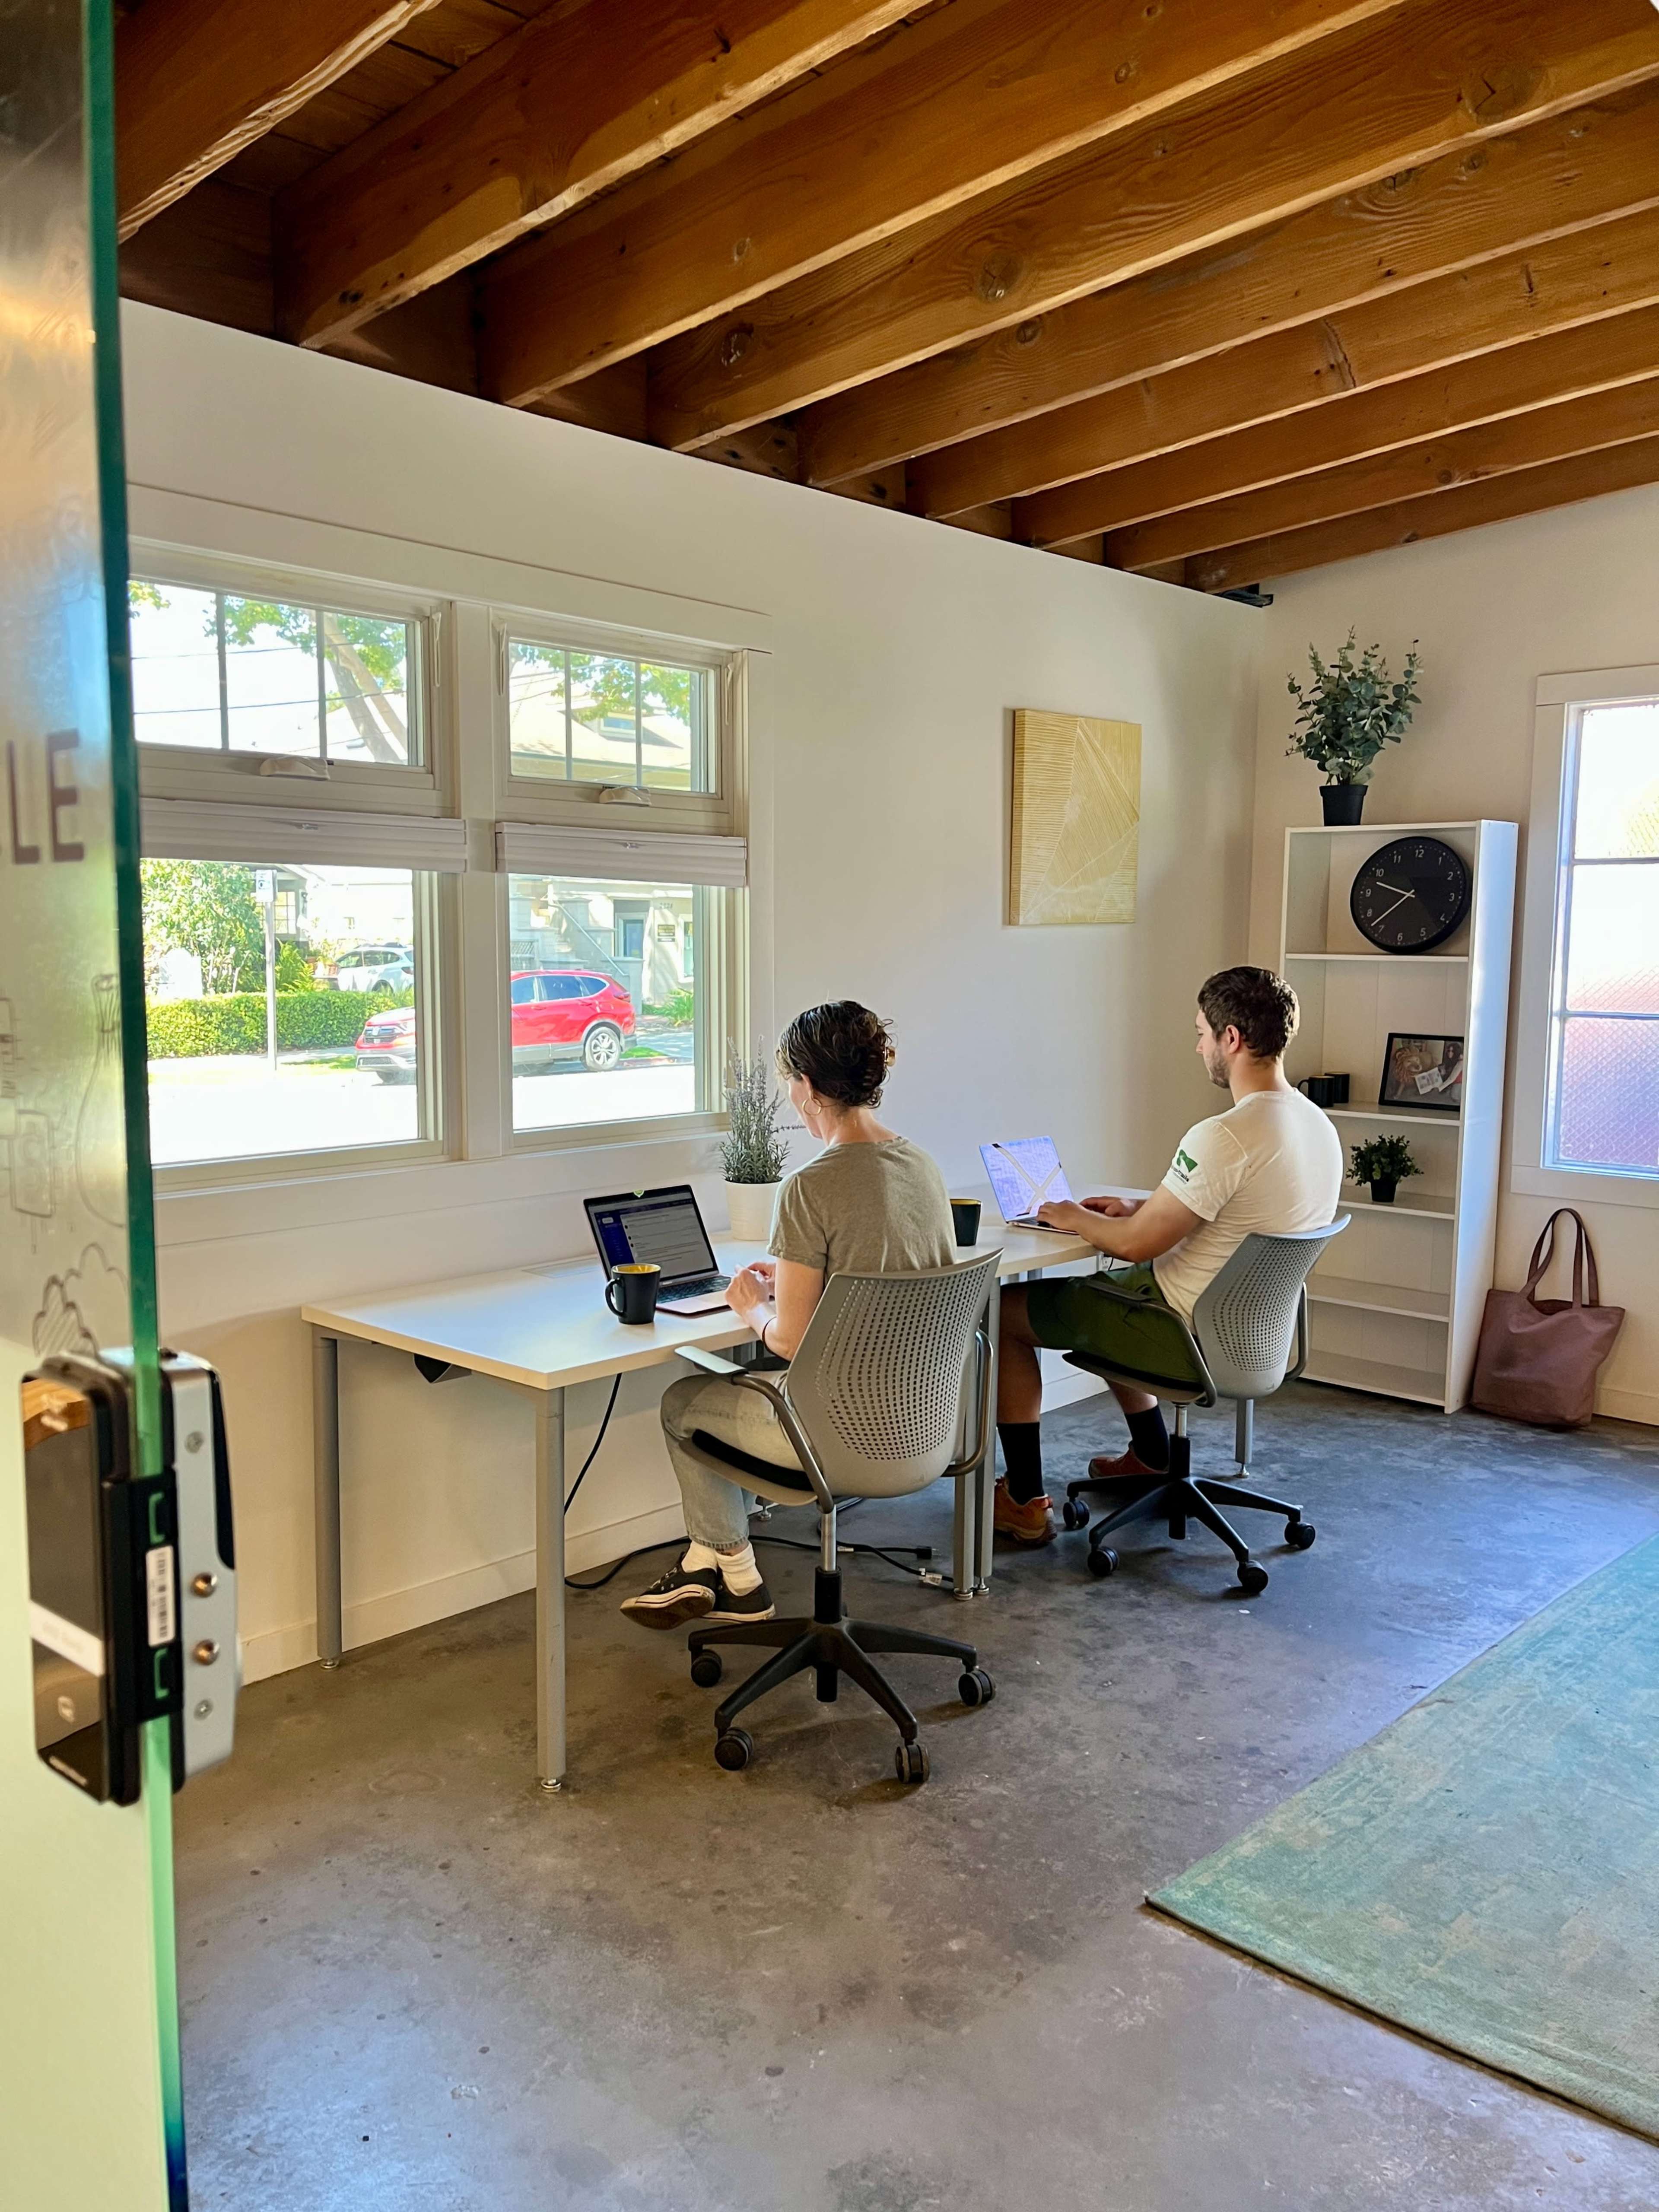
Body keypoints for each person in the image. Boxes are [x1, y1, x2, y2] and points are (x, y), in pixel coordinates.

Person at [622, 1000, 956, 1629]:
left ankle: (739, 1576)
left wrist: (751, 1309)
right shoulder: (921, 1165)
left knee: (682, 1401)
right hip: (921, 1417)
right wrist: (809, 1277)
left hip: (837, 1426)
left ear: (804, 1085)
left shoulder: (810, 1185)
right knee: (727, 1390)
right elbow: (888, 1279)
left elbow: (791, 1341)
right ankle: (706, 1565)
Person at [993, 967, 1343, 1545]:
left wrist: (1067, 1214)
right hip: (1250, 1331)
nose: (1199, 1044)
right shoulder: (1314, 1124)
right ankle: (1154, 1455)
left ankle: (1025, 1500)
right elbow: (1234, 1209)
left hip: (1177, 1329)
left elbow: (1137, 1245)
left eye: (1203, 1032)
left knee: (1007, 1314)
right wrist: (1143, 1204)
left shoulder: (1225, 1134)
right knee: (1118, 1285)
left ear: (1232, 1039)